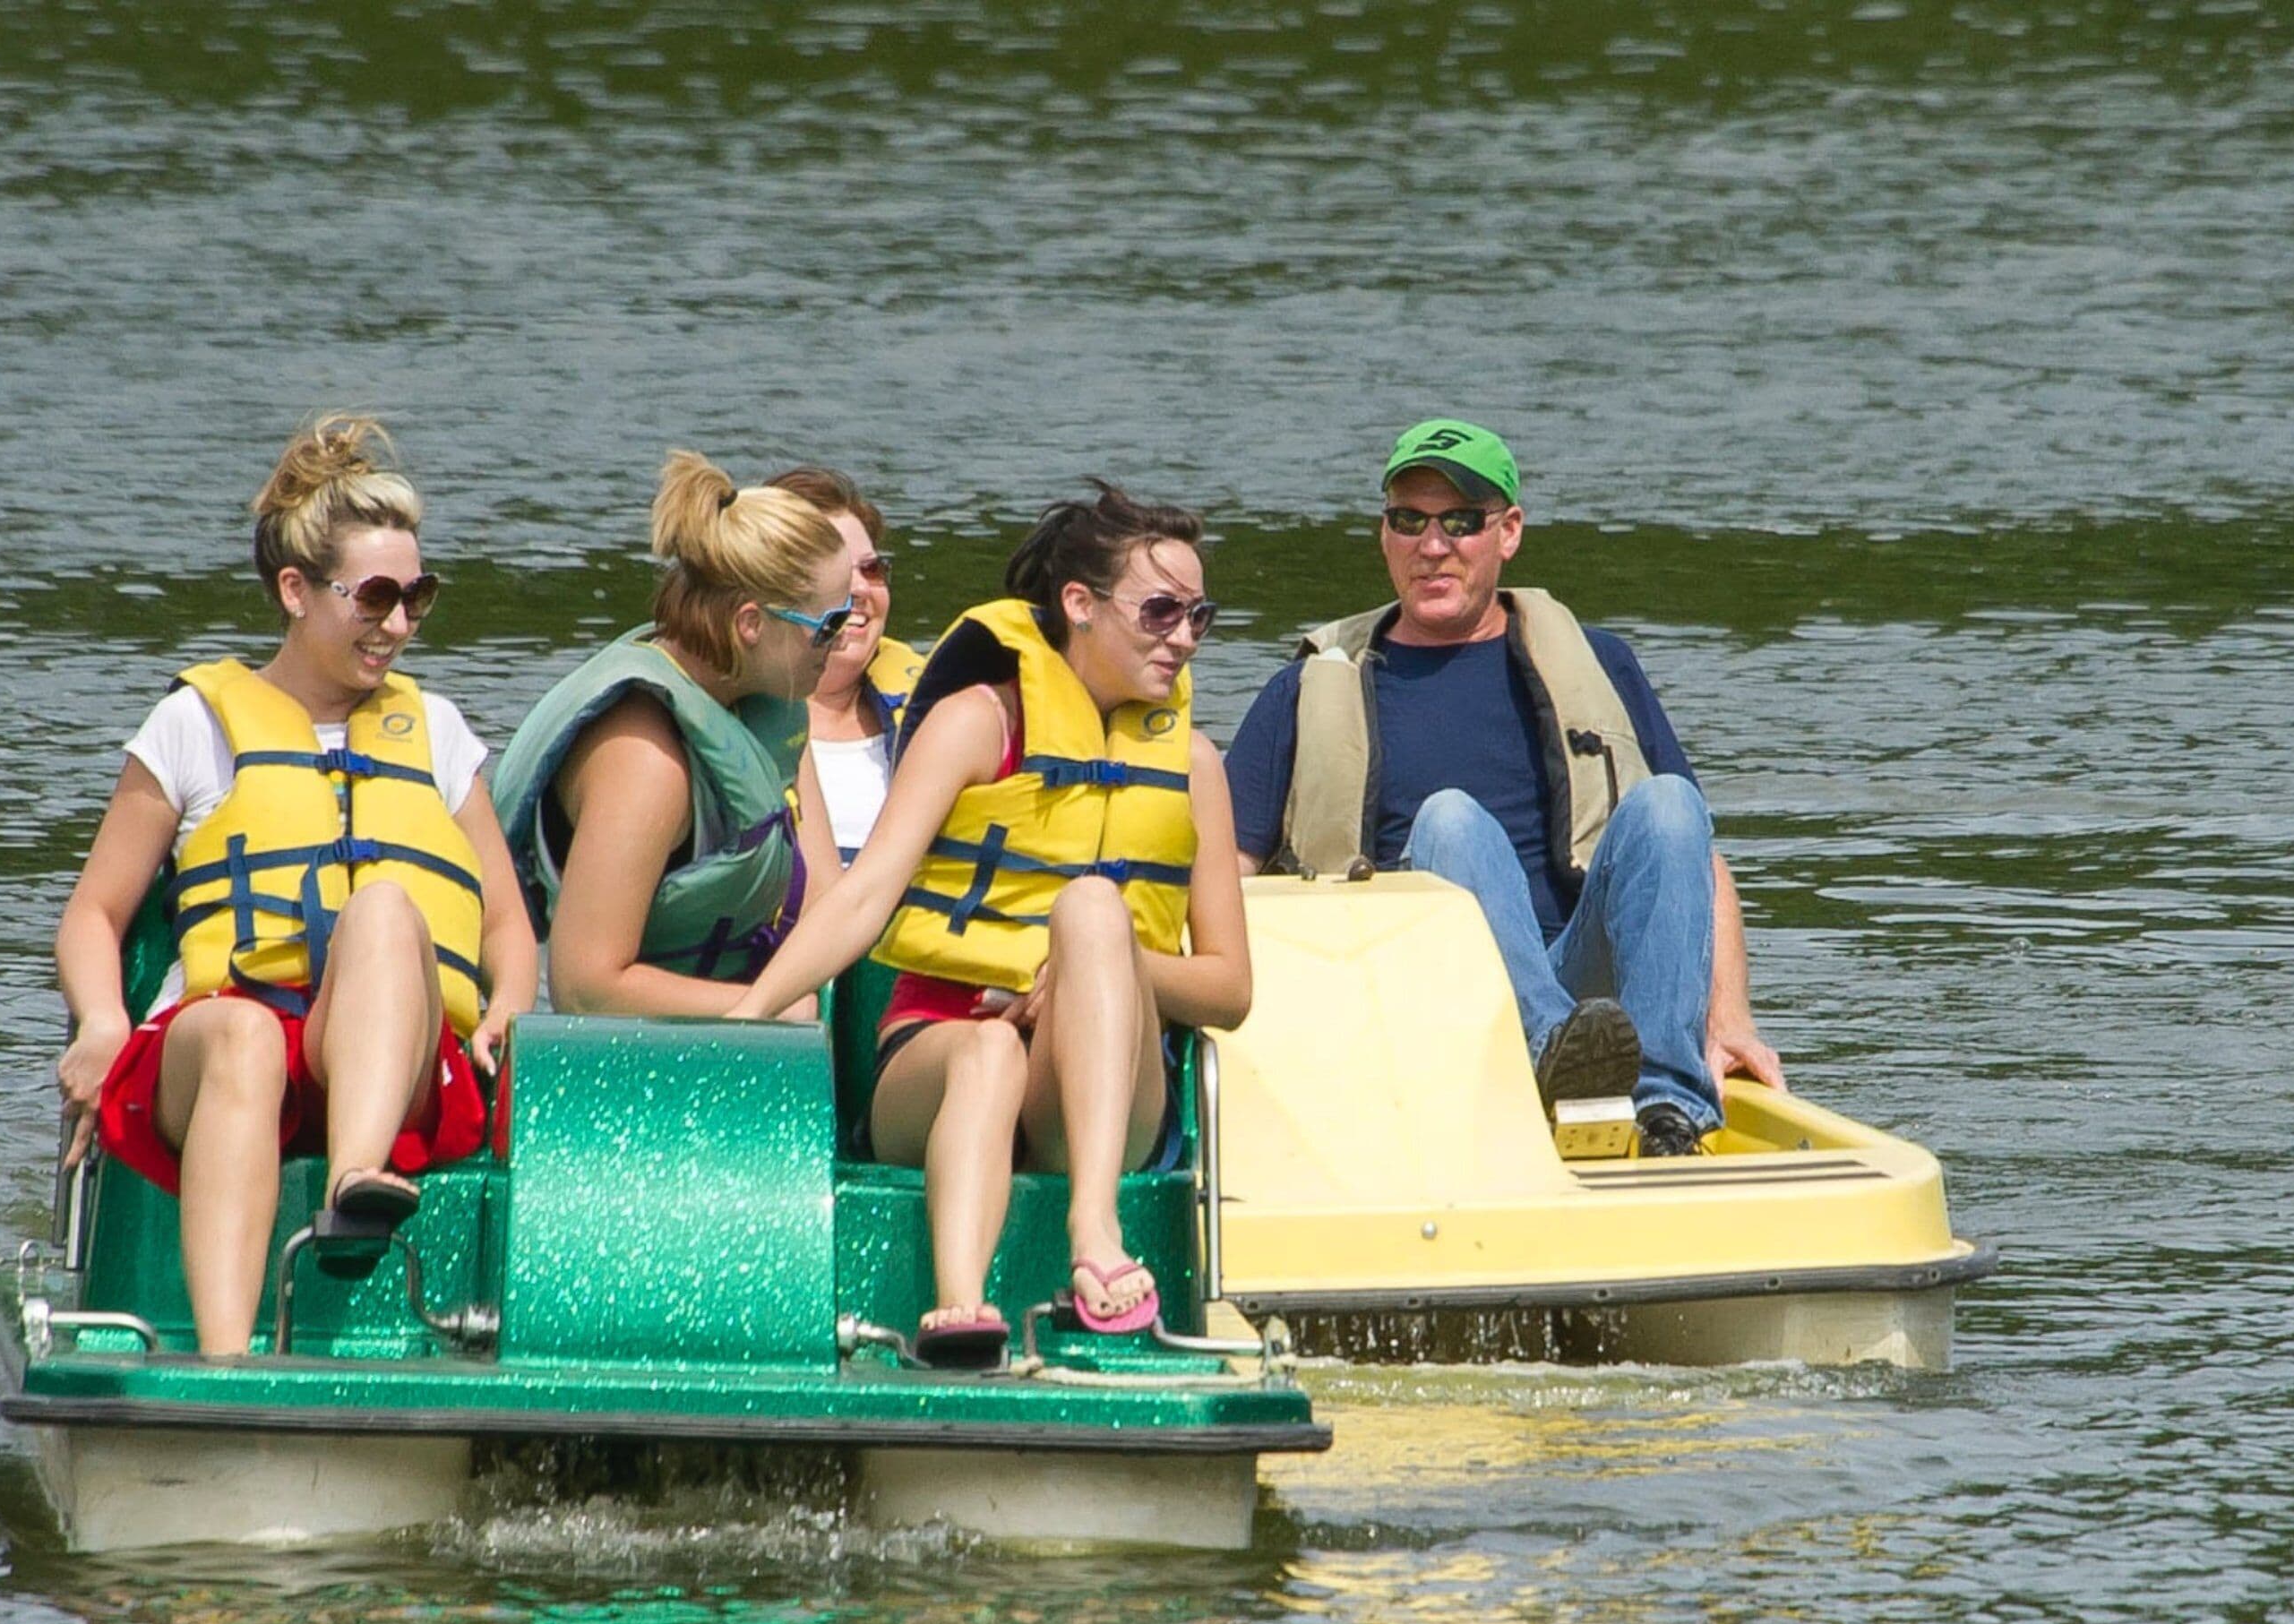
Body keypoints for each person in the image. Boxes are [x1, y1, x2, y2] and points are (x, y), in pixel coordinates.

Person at [727, 486, 1250, 1365]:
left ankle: (1093, 1229)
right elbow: (863, 897)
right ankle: (961, 1311)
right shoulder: (977, 724)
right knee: (987, 1050)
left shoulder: (1193, 764)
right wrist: (751, 1017)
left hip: (1095, 1091)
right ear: (1079, 606)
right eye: (1160, 611)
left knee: (1092, 911)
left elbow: (1230, 991)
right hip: (938, 1053)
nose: (1185, 638)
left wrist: (1105, 972)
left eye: (1200, 615)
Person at [55, 417, 535, 1356]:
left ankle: (356, 1179)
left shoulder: (435, 732)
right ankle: (226, 1368)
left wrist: (506, 1007)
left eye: (417, 597)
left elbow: (509, 928)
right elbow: (93, 914)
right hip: (229, 1047)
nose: (398, 624)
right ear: (296, 590)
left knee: (388, 907)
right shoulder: (196, 724)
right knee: (240, 1035)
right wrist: (104, 1022)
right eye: (377, 596)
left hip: (388, 1060)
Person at [1224, 419, 1780, 1156]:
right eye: (1409, 521)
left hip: (1588, 994)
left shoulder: (1600, 662)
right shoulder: (1306, 687)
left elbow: (1694, 862)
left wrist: (1731, 1019)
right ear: (1384, 535)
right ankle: (1558, 1055)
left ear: (1507, 533)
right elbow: (1221, 875)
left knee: (1671, 804)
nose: (1433, 546)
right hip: (1412, 998)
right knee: (1451, 820)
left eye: (1460, 522)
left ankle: (1665, 1105)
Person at [485, 453, 862, 1017]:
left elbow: (827, 904)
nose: (847, 635)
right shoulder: (646, 762)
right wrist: (766, 1005)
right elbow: (584, 987)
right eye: (830, 624)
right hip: (638, 1068)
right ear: (751, 624)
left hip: (744, 1024)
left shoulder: (764, 710)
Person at [765, 466, 919, 864]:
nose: (860, 590)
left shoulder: (939, 709)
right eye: (831, 572)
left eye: (871, 570)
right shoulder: (723, 719)